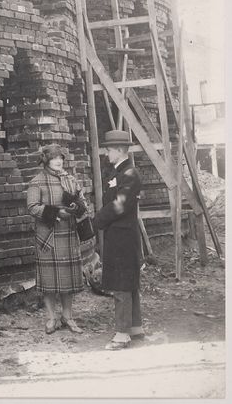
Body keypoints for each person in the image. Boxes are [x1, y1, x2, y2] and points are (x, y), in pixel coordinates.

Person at [27, 144, 87, 334]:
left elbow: (82, 202)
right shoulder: (37, 182)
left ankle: (67, 317)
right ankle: (51, 318)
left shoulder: (71, 179)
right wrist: (56, 213)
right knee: (50, 281)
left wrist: (76, 208)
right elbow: (32, 207)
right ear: (46, 161)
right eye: (54, 158)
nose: (58, 161)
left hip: (68, 234)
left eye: (60, 157)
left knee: (67, 279)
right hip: (47, 236)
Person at [93, 130, 144, 350]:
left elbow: (120, 205)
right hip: (119, 234)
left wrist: (97, 220)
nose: (106, 154)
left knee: (122, 282)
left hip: (123, 236)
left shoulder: (129, 174)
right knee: (127, 280)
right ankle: (135, 327)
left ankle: (122, 335)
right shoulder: (120, 172)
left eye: (109, 150)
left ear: (120, 150)